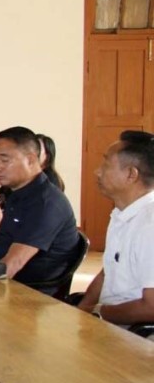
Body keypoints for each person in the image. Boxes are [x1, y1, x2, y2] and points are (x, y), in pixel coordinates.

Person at [0, 126, 78, 291]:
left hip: (27, 293)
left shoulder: (46, 203)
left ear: (31, 160)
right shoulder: (16, 194)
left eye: (5, 160)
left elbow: (13, 264)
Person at [76, 130, 154, 330]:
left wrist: (97, 312)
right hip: (109, 323)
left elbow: (151, 307)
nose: (97, 172)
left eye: (106, 164)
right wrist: (81, 312)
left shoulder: (149, 224)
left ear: (131, 174)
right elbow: (108, 271)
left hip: (137, 335)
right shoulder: (122, 213)